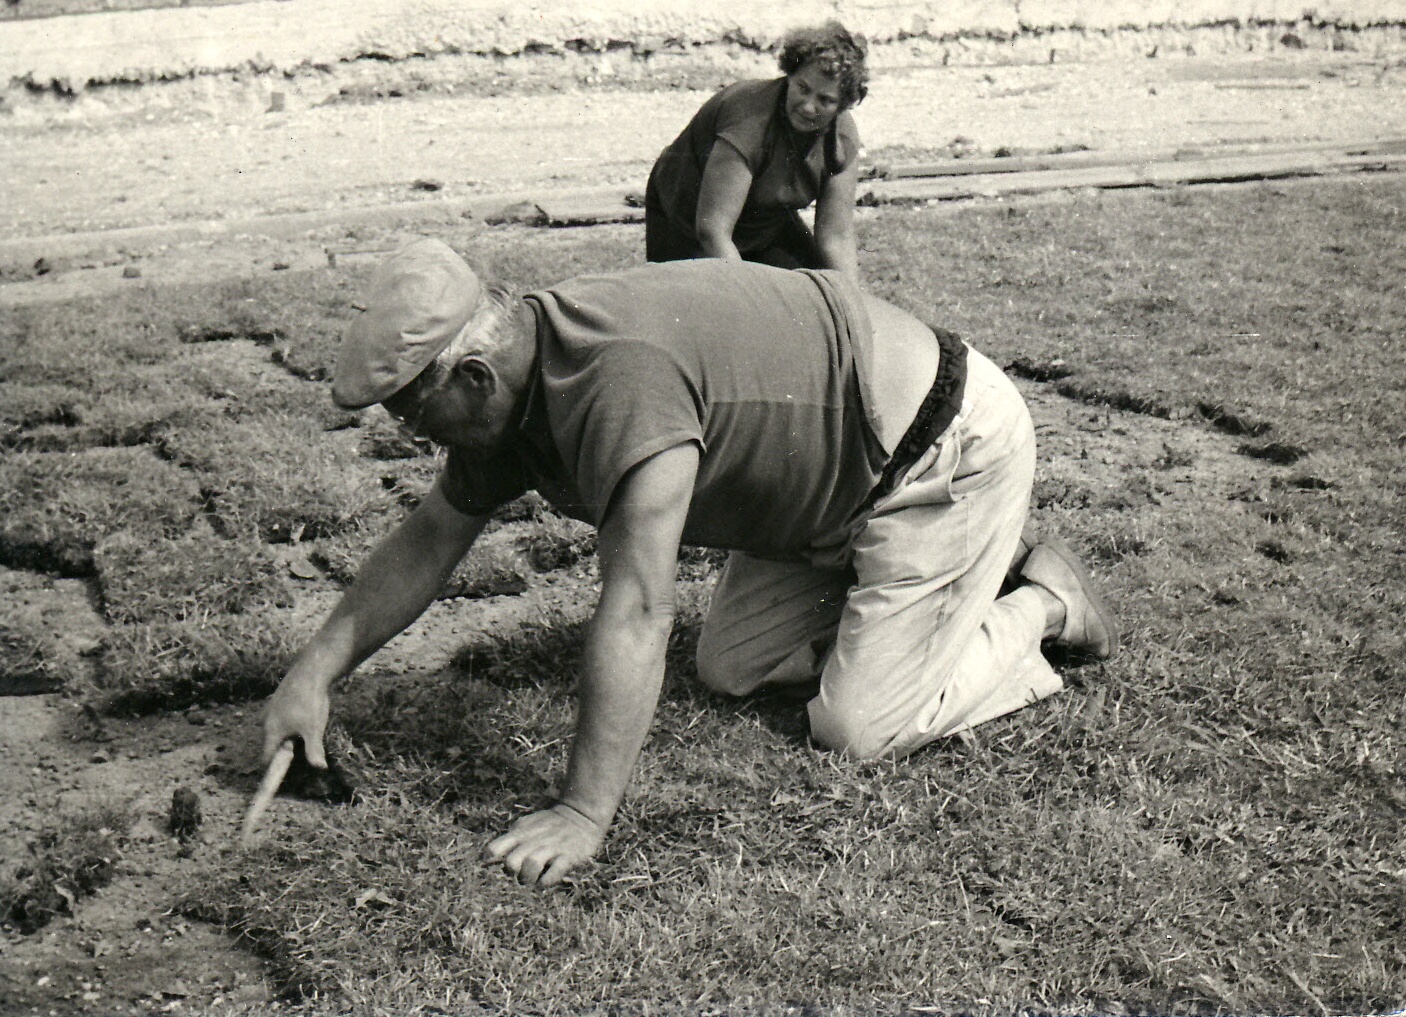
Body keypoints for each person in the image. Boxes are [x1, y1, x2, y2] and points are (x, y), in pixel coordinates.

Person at [259, 238, 1118, 888]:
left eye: (417, 416)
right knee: (731, 664)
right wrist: (314, 674)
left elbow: (638, 606)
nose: (418, 438)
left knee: (858, 725)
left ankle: (1042, 601)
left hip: (938, 453)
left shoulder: (618, 381)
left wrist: (582, 811)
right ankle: (927, 602)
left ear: (475, 377)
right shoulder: (517, 377)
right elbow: (433, 534)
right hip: (829, 496)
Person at [644, 21, 868, 279]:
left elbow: (835, 236)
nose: (808, 107)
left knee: (813, 295)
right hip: (688, 225)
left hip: (764, 226)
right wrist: (751, 294)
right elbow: (713, 230)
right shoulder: (749, 121)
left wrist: (851, 303)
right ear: (789, 75)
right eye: (802, 89)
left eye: (825, 100)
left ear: (843, 104)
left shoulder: (842, 139)